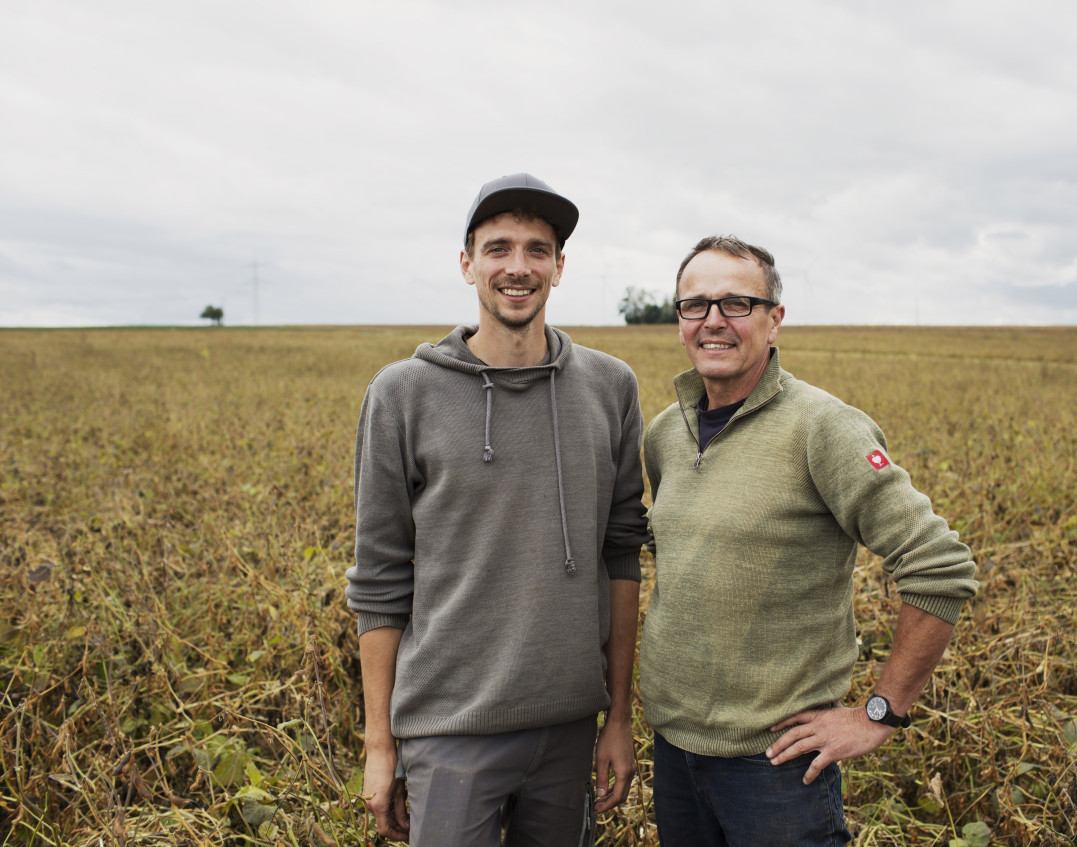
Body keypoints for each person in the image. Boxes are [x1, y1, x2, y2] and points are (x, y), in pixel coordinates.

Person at [639, 235, 980, 846]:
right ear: (679, 322)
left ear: (774, 320)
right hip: (673, 750)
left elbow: (940, 567)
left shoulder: (823, 427)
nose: (714, 321)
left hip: (774, 767)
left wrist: (881, 712)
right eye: (696, 305)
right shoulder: (666, 433)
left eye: (737, 304)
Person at [345, 173, 649, 846]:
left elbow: (622, 555)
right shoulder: (403, 394)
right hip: (450, 731)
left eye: (538, 250)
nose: (518, 267)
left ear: (560, 267)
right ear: (467, 263)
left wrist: (619, 718)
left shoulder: (610, 388)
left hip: (569, 730)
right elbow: (379, 579)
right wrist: (379, 744)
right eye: (498, 248)